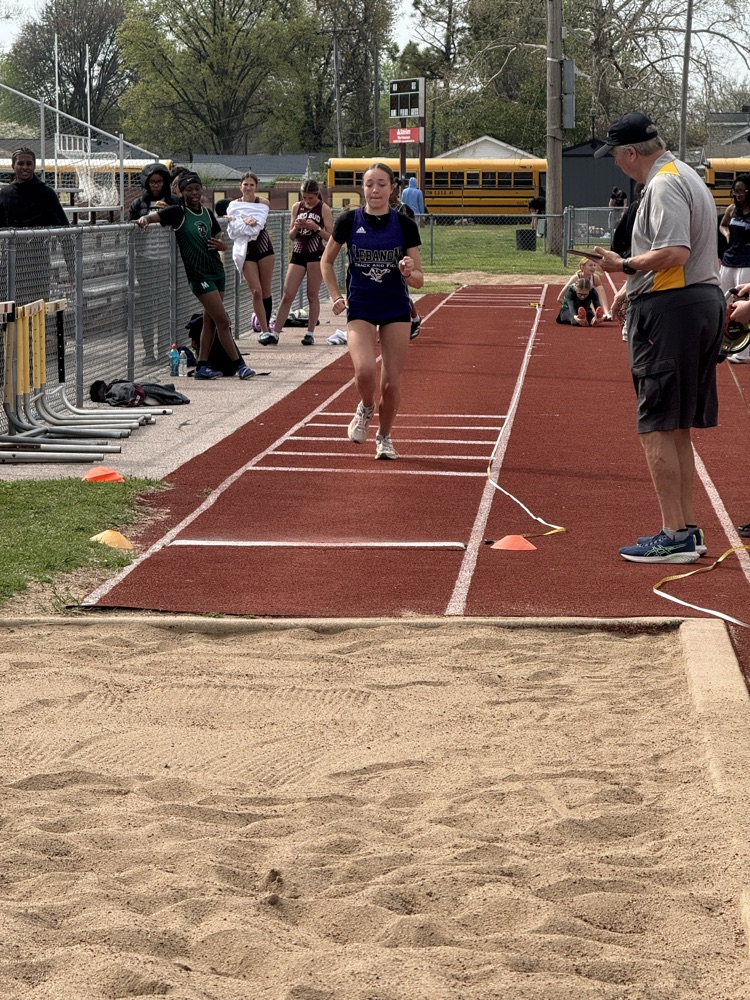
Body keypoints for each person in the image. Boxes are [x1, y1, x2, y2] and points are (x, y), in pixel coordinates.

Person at [593, 111, 725, 564]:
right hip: (697, 301)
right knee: (676, 424)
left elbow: (675, 252)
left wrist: (624, 267)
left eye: (615, 155)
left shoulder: (665, 183)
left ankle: (674, 533)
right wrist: (634, 285)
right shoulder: (685, 174)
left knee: (657, 423)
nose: (616, 164)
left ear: (631, 153)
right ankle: (684, 529)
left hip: (675, 309)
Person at [321, 161, 423, 460]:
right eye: (369, 184)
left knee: (391, 383)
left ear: (393, 188)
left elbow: (418, 279)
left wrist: (407, 270)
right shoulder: (349, 221)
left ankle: (385, 436)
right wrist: (335, 296)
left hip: (394, 308)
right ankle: (365, 408)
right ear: (363, 188)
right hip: (361, 308)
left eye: (381, 184)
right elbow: (327, 262)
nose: (375, 189)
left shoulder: (404, 225)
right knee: (365, 369)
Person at [134, 172, 255, 380]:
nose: (194, 193)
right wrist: (144, 219)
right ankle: (240, 365)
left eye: (197, 189)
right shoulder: (178, 213)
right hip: (199, 276)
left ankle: (202, 366)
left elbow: (219, 237)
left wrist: (222, 244)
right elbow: (154, 217)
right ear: (181, 192)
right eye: (189, 189)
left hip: (216, 272)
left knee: (210, 322)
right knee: (223, 321)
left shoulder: (207, 214)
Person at [260, 179, 333, 347]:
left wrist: (316, 227)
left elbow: (331, 237)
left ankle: (310, 333)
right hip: (299, 253)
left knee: (312, 294)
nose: (307, 201)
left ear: (316, 195)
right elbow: (291, 236)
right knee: (287, 294)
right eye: (304, 197)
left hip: (315, 254)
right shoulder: (296, 207)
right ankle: (275, 333)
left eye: (310, 198)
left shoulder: (323, 208)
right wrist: (297, 228)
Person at [0, 146, 72, 305]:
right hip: (10, 263)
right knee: (9, 312)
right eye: (20, 163)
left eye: (28, 163)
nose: (24, 167)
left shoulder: (46, 194)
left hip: (37, 263)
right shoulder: (4, 194)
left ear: (34, 166)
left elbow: (65, 233)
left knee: (36, 309)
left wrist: (73, 271)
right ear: (13, 166)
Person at [128, 163, 178, 363]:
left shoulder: (174, 201)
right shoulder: (138, 204)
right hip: (146, 260)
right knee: (147, 307)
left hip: (168, 261)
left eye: (160, 181)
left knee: (165, 307)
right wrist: (139, 222)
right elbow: (127, 228)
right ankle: (149, 353)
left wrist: (170, 211)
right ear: (146, 183)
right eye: (152, 182)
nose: (156, 185)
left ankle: (165, 349)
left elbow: (183, 221)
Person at [225, 171, 276, 341]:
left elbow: (257, 226)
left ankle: (267, 325)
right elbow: (234, 229)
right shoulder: (233, 205)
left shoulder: (262, 203)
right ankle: (264, 330)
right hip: (245, 251)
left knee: (266, 290)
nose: (248, 187)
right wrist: (243, 221)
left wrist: (243, 221)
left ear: (256, 187)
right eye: (245, 184)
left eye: (251, 185)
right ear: (240, 186)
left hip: (264, 249)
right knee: (256, 291)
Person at [718, 174, 750, 364]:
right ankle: (724, 342)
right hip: (729, 261)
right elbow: (722, 225)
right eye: (735, 191)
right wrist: (727, 233)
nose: (738, 195)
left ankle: (744, 352)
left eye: (741, 191)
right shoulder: (732, 210)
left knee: (744, 306)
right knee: (723, 302)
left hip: (747, 263)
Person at [393, 178, 423, 339]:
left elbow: (410, 230)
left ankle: (414, 319)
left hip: (401, 253)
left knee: (402, 291)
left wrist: (412, 250)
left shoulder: (403, 209)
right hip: (385, 254)